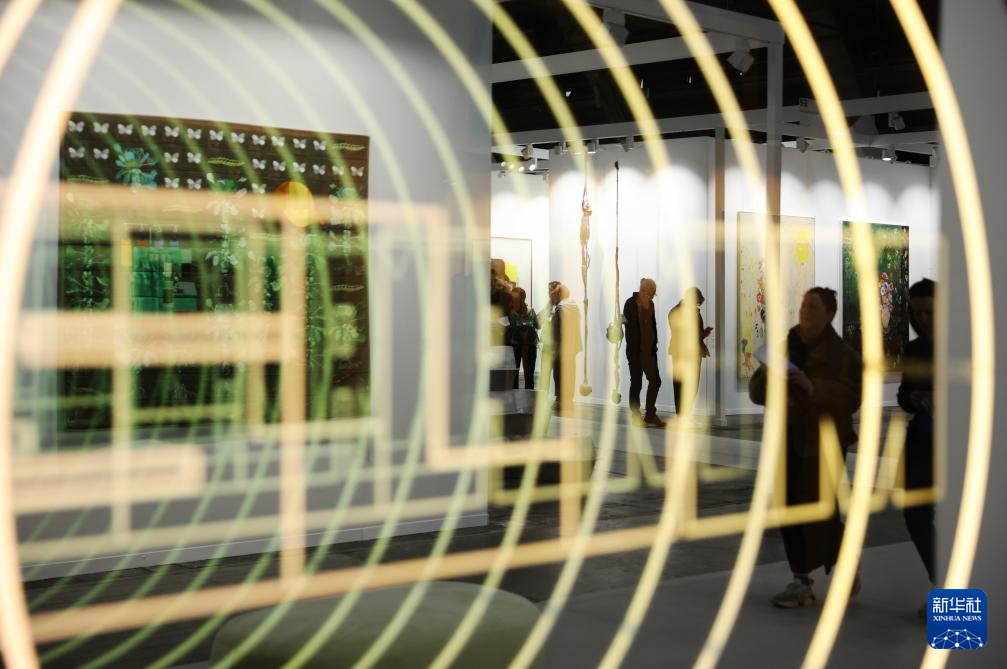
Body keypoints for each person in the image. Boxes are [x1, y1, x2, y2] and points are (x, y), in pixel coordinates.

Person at [750, 287, 863, 608]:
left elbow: (851, 397)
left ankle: (844, 558)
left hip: (822, 440)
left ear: (830, 314)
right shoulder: (786, 346)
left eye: (813, 307)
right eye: (803, 305)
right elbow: (757, 393)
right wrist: (771, 374)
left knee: (821, 509)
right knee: (788, 507)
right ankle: (800, 580)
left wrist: (812, 387)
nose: (805, 311)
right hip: (787, 435)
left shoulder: (843, 355)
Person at [897, 278, 936, 616]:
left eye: (929, 312)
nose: (922, 319)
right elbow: (902, 395)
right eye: (918, 313)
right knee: (915, 515)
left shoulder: (966, 345)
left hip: (958, 445)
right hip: (923, 441)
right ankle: (944, 581)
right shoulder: (915, 349)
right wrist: (914, 396)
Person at [623, 278, 665, 427]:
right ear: (643, 291)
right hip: (636, 352)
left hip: (649, 351)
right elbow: (629, 328)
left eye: (653, 295)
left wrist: (654, 345)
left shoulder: (651, 305)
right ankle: (635, 416)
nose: (652, 298)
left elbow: (653, 325)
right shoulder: (630, 303)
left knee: (656, 381)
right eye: (650, 294)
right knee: (636, 382)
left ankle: (650, 415)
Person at [668, 287, 713, 419]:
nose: (697, 304)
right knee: (682, 384)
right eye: (697, 301)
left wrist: (702, 333)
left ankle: (684, 415)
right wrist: (700, 334)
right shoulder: (678, 311)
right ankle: (682, 416)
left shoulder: (690, 311)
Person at [541, 281, 581, 413]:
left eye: (552, 293)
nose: (550, 295)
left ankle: (560, 402)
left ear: (558, 294)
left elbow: (557, 331)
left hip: (559, 349)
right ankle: (567, 401)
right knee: (569, 374)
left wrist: (554, 349)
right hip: (571, 348)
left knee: (559, 375)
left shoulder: (561, 309)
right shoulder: (573, 307)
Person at [507, 287, 539, 390]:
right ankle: (515, 397)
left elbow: (538, 325)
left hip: (528, 346)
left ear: (522, 298)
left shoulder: (529, 311)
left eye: (515, 298)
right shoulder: (509, 311)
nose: (513, 300)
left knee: (528, 375)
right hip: (516, 345)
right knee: (514, 375)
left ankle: (528, 398)